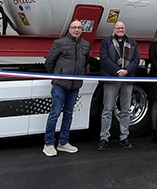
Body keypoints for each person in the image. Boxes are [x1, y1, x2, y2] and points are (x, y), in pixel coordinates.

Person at [41, 20, 90, 157]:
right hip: (60, 85)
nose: (77, 30)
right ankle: (49, 144)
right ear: (69, 29)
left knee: (68, 113)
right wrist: (58, 76)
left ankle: (63, 142)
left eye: (79, 28)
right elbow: (50, 62)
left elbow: (85, 62)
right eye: (74, 27)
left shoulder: (85, 45)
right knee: (55, 113)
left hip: (75, 85)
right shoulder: (60, 43)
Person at [98, 20, 140, 150]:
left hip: (127, 79)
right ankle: (104, 138)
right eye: (118, 28)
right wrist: (118, 71)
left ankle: (124, 137)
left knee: (125, 110)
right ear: (114, 29)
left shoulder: (132, 42)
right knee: (107, 110)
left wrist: (126, 71)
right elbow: (104, 59)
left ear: (125, 29)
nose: (120, 30)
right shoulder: (106, 42)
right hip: (112, 79)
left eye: (122, 28)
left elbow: (136, 60)